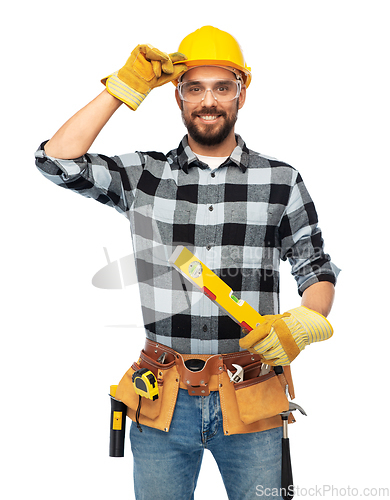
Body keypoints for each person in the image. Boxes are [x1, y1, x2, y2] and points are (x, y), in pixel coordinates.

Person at [35, 26, 339, 500]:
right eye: (194, 87)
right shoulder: (144, 175)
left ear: (242, 93)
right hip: (164, 395)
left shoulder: (281, 180)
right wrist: (121, 88)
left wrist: (306, 319)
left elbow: (314, 267)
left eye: (222, 87)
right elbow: (57, 161)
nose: (208, 100)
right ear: (176, 97)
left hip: (252, 395)